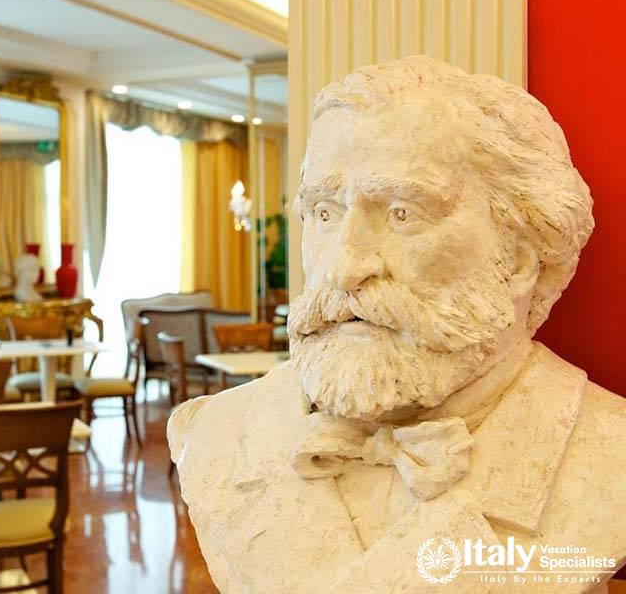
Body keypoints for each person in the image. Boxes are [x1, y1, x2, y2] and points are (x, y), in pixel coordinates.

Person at [168, 56, 625, 593]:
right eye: (323, 212)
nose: (345, 266)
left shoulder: (610, 456)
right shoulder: (219, 431)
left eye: (402, 212)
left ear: (519, 257)